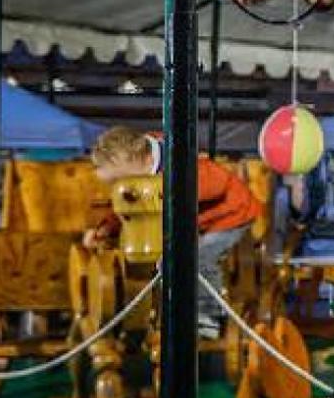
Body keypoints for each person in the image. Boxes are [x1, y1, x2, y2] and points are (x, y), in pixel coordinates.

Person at [86, 127, 263, 340]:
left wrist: (171, 188)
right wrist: (106, 229)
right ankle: (163, 313)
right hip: (192, 224)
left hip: (229, 217)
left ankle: (207, 317)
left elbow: (218, 183)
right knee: (162, 259)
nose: (120, 185)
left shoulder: (180, 159)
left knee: (200, 257)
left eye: (121, 179)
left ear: (142, 159)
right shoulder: (138, 175)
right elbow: (127, 204)